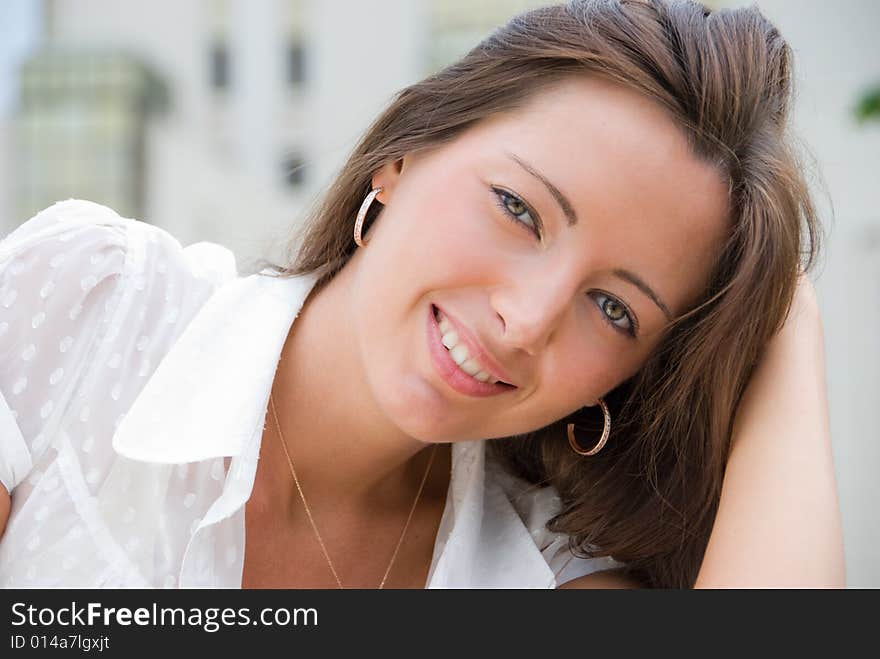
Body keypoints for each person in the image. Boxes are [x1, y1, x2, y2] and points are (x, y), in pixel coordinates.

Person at [0, 0, 844, 589]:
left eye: (615, 308)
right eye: (518, 209)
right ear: (402, 158)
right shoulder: (92, 308)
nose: (527, 318)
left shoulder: (539, 575)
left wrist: (786, 316)